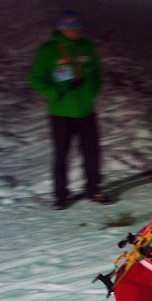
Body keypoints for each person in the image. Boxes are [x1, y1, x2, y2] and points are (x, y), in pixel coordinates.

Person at [30, 10, 109, 210]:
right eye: (71, 28)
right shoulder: (49, 50)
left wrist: (93, 91)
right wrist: (55, 93)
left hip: (86, 111)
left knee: (91, 153)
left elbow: (97, 74)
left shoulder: (86, 47)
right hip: (61, 114)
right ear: (62, 29)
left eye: (77, 28)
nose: (75, 32)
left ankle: (94, 189)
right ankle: (61, 195)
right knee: (62, 155)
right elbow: (37, 79)